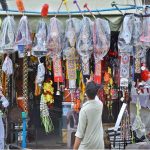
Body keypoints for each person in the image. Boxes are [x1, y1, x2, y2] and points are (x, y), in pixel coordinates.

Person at [73, 78, 104, 150]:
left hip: (87, 147)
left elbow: (79, 134)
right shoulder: (100, 105)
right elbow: (95, 97)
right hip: (99, 145)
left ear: (86, 93)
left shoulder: (84, 110)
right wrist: (89, 84)